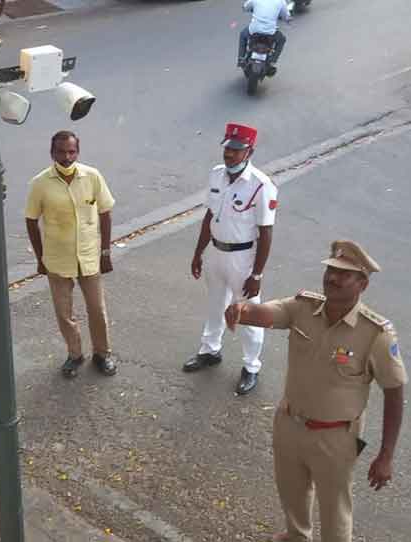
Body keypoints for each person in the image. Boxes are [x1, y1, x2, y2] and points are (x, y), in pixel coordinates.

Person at [224, 240, 406, 542]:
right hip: (289, 423)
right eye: (331, 270)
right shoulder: (304, 308)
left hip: (335, 437)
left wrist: (386, 455)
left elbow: (395, 392)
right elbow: (272, 312)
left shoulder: (376, 335)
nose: (332, 277)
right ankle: (297, 536)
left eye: (344, 274)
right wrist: (243, 311)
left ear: (363, 283)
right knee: (291, 491)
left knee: (335, 507)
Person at [184, 123, 278, 395]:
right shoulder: (216, 176)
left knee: (248, 312)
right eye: (228, 148)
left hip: (243, 258)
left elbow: (266, 232)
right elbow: (209, 216)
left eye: (237, 149)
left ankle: (251, 366)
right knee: (215, 305)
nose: (231, 154)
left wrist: (257, 274)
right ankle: (210, 350)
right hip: (216, 252)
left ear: (249, 151)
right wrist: (198, 252)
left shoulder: (261, 186)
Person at [25, 130, 118, 378]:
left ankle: (102, 354)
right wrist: (40, 258)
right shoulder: (40, 183)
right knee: (64, 313)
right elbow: (31, 220)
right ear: (52, 153)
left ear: (78, 151)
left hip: (89, 257)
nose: (66, 157)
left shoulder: (93, 176)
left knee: (97, 309)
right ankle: (75, 354)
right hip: (57, 259)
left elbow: (105, 213)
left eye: (71, 151)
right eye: (61, 152)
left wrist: (105, 252)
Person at [238, 0, 291, 73]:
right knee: (282, 40)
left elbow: (245, 7)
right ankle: (272, 61)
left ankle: (241, 59)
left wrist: (247, 8)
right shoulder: (281, 1)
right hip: (270, 33)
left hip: (254, 31)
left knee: (243, 35)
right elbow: (286, 16)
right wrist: (288, 20)